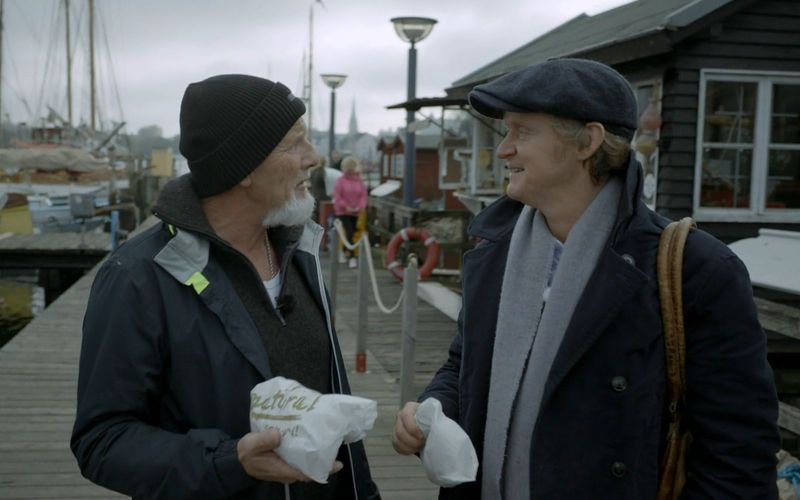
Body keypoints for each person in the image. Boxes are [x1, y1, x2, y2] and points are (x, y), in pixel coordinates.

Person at [392, 58, 779, 499]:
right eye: (506, 131)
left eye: (522, 131)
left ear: (587, 142)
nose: (503, 149)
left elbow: (739, 452)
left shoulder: (694, 267)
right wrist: (435, 410)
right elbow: (464, 364)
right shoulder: (492, 251)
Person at [71, 74, 381, 500]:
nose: (314, 157)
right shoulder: (137, 277)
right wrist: (229, 460)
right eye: (294, 143)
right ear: (244, 169)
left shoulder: (299, 251)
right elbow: (102, 440)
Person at [332, 156, 368, 269]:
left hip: (356, 212)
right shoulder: (340, 182)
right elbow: (337, 197)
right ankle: (352, 257)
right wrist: (346, 207)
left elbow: (364, 196)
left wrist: (359, 207)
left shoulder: (360, 181)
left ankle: (344, 251)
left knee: (353, 233)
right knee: (349, 231)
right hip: (342, 212)